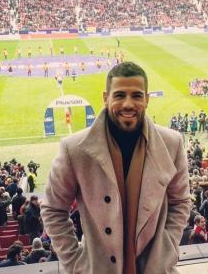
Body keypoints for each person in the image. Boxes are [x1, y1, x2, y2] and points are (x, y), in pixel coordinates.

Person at [42, 61, 191, 274]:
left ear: (147, 100)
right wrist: (75, 263)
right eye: (120, 95)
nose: (128, 104)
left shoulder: (172, 143)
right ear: (106, 98)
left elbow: (181, 201)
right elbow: (53, 209)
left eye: (137, 95)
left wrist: (166, 248)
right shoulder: (75, 149)